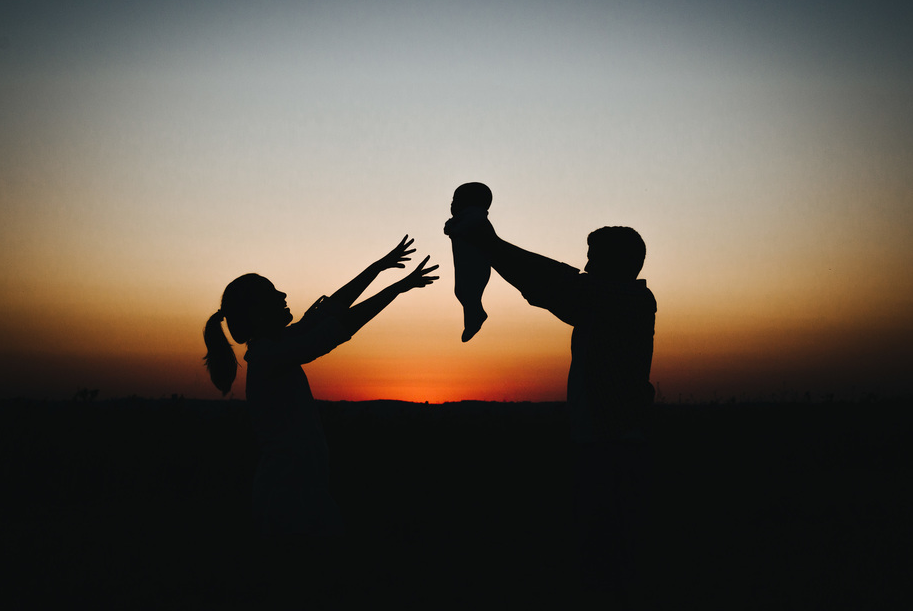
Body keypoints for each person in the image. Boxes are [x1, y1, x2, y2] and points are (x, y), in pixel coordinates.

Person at [446, 212, 656, 598]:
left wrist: (490, 244)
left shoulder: (627, 300)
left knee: (606, 559)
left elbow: (552, 282)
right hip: (603, 444)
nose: (588, 265)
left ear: (621, 263)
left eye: (595, 257)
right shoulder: (611, 301)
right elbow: (552, 285)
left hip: (612, 450)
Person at [203, 235, 438, 538]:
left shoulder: (275, 346)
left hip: (299, 492)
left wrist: (379, 268)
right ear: (258, 313)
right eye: (274, 293)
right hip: (288, 499)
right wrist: (396, 286)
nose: (284, 294)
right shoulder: (268, 356)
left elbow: (332, 310)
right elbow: (338, 326)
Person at [443, 182, 493, 341]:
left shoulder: (475, 217)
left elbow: (465, 228)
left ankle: (475, 318)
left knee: (465, 291)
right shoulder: (462, 219)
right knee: (461, 291)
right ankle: (474, 317)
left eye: (455, 199)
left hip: (476, 266)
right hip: (464, 265)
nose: (451, 204)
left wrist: (454, 229)